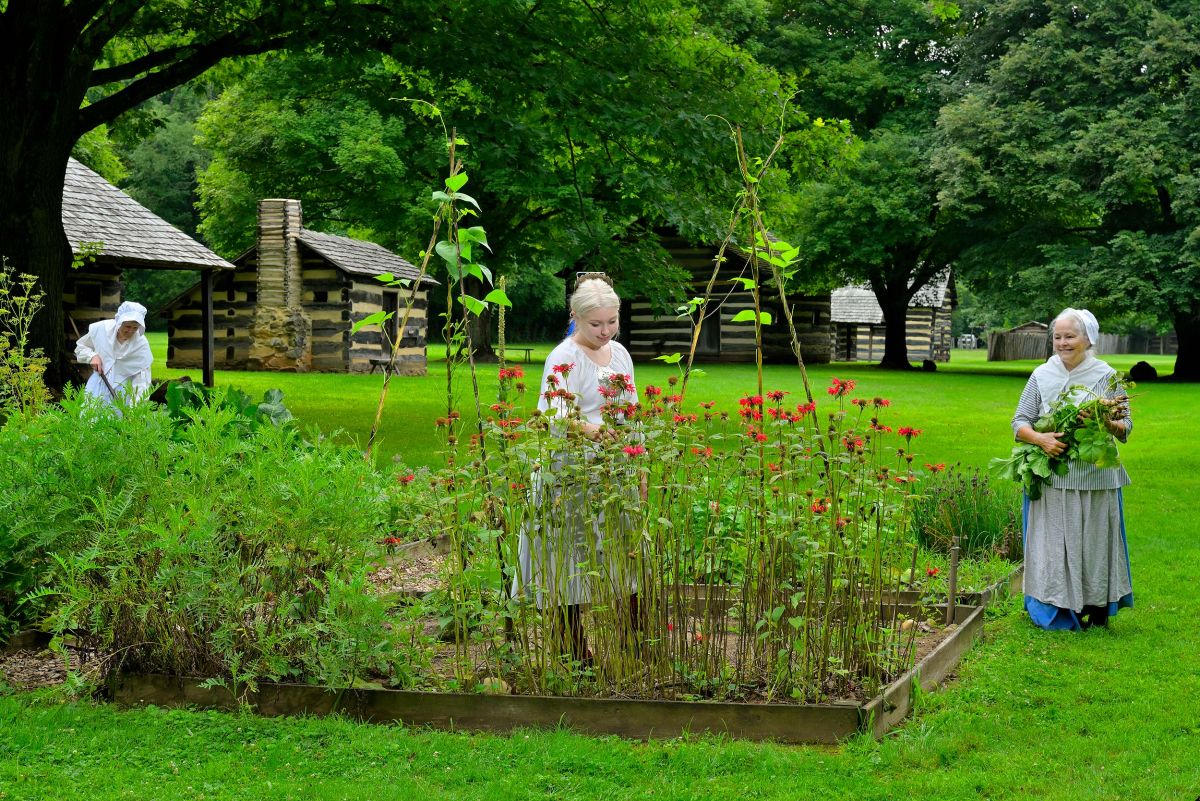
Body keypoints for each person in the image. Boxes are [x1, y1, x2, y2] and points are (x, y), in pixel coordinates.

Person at [515, 273, 645, 665]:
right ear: (575, 316)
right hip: (570, 473)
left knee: (625, 558)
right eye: (596, 324)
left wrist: (639, 466)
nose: (605, 331)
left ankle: (634, 646)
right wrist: (593, 430)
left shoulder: (620, 355)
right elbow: (550, 415)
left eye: (612, 322)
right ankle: (575, 652)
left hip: (614, 472)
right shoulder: (564, 357)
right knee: (565, 561)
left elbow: (633, 412)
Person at [1012, 308, 1133, 630]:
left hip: (1097, 474)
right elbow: (1019, 422)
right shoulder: (1042, 374)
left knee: (1093, 543)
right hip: (1053, 474)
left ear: (1088, 339)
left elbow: (1126, 427)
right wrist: (1041, 439)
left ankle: (1096, 606)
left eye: (1070, 336)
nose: (1063, 343)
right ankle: (1056, 606)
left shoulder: (1107, 376)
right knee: (1053, 543)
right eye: (1058, 337)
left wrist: (1104, 421)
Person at [74, 301, 153, 403]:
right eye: (128, 326)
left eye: (135, 328)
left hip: (122, 394)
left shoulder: (141, 344)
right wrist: (92, 356)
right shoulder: (101, 329)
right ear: (119, 321)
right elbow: (81, 347)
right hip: (96, 386)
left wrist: (135, 410)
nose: (131, 331)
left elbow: (142, 382)